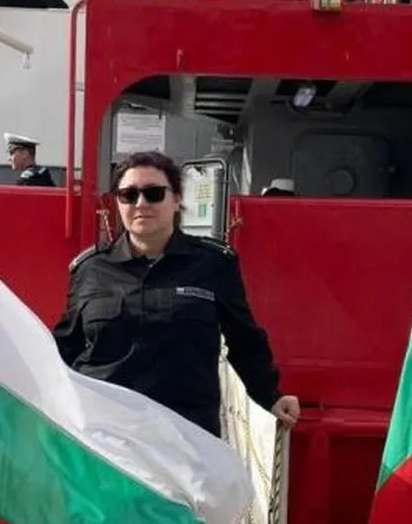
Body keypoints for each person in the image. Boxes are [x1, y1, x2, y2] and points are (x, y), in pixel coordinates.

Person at [54, 151, 300, 437]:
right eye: (128, 195)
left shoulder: (212, 264)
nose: (141, 204)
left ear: (177, 199)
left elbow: (243, 338)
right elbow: (65, 347)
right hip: (106, 435)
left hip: (185, 434)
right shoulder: (90, 269)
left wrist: (270, 395)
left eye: (154, 193)